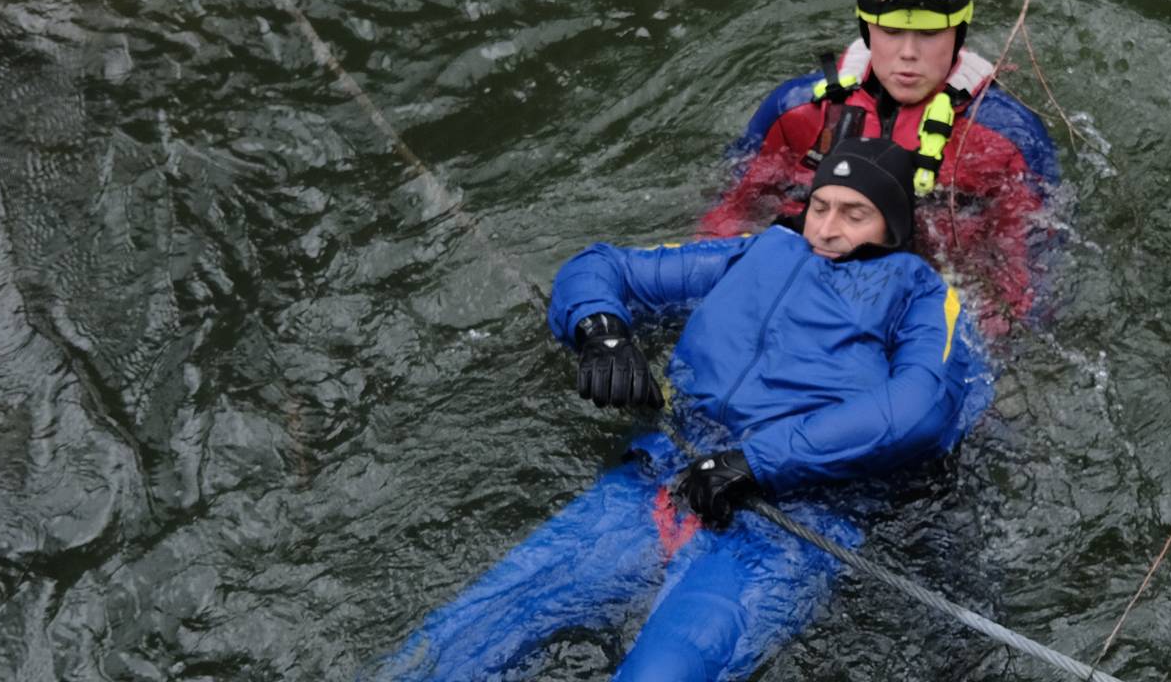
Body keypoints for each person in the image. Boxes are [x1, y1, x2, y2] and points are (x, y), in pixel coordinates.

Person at [380, 138, 992, 682]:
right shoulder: (755, 253)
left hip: (783, 523)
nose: (828, 228)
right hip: (661, 481)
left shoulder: (919, 292)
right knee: (458, 640)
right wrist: (601, 331)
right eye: (821, 206)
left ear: (891, 227)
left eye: (854, 214)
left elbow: (920, 407)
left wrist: (757, 461)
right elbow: (603, 266)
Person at [699, 0, 1060, 335]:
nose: (908, 53)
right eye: (891, 32)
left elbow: (1026, 274)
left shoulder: (1007, 136)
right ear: (866, 29)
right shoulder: (796, 111)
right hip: (807, 278)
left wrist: (987, 338)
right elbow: (729, 214)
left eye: (928, 34)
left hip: (930, 305)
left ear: (959, 33)